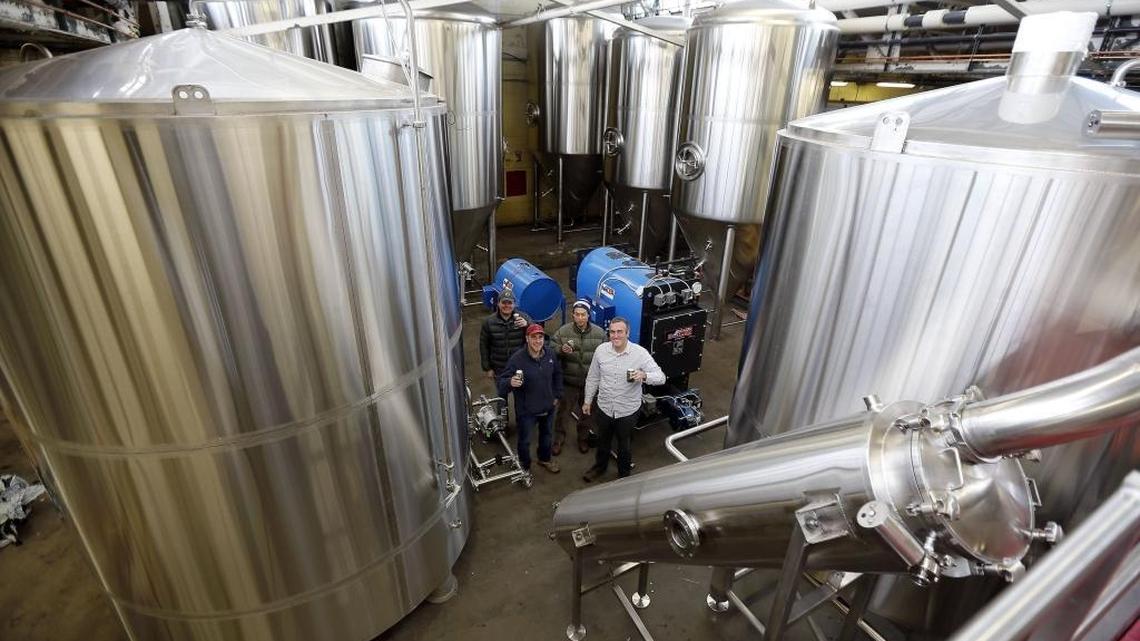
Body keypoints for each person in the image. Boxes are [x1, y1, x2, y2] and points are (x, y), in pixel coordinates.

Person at [581, 317, 666, 481]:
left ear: (628, 333)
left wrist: (644, 375)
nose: (615, 336)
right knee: (603, 441)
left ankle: (624, 476)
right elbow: (593, 377)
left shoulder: (640, 354)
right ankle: (599, 468)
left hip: (627, 411)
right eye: (612, 332)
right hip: (604, 407)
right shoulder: (601, 351)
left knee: (624, 445)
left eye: (620, 332)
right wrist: (587, 400)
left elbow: (661, 377)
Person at [498, 324, 564, 482]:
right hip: (527, 411)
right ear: (527, 339)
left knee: (547, 436)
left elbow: (558, 374)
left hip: (548, 406)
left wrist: (557, 395)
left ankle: (544, 459)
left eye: (540, 337)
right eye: (533, 337)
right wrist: (510, 382)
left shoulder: (550, 354)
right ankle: (525, 466)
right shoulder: (517, 359)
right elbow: (502, 383)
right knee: (525, 440)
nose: (537, 340)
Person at [552, 299, 605, 455]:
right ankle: (558, 439)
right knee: (563, 413)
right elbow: (550, 348)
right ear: (573, 315)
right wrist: (561, 349)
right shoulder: (563, 331)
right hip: (569, 381)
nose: (580, 318)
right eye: (577, 314)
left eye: (583, 314)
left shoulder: (600, 334)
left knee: (587, 414)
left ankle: (583, 438)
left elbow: (607, 356)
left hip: (590, 384)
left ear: (589, 315)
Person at [479, 290, 530, 380]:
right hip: (499, 368)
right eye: (504, 302)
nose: (507, 306)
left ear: (514, 304)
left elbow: (537, 334)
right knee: (501, 388)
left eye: (510, 303)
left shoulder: (523, 318)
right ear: (498, 303)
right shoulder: (489, 322)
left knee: (521, 387)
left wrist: (527, 325)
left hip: (519, 366)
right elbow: (484, 346)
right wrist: (488, 368)